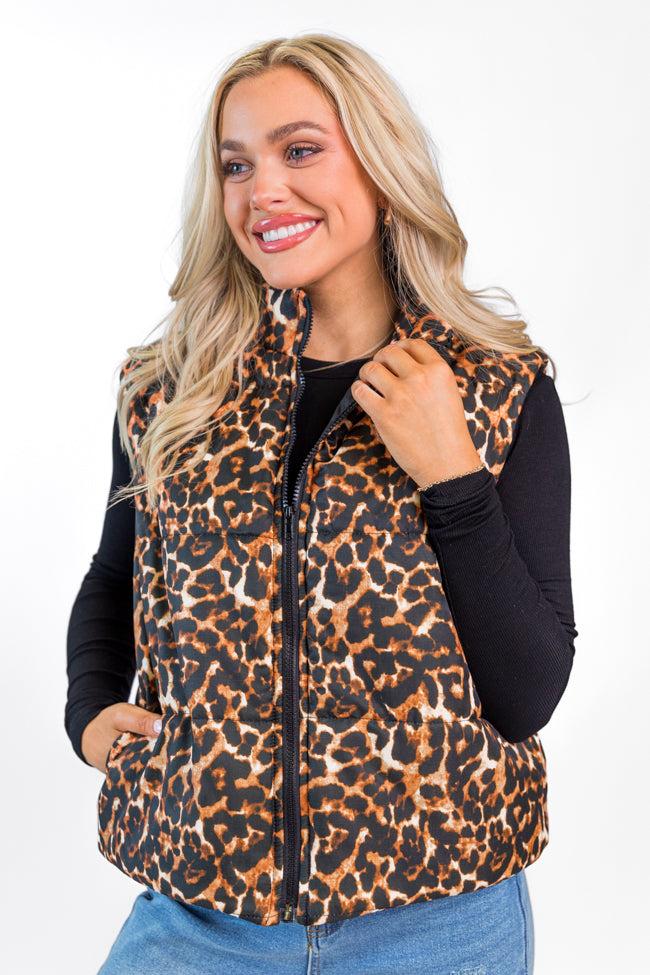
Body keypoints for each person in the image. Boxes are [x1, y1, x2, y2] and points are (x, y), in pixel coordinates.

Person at [65, 32, 578, 975]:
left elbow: (529, 691)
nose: (263, 190)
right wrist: (90, 707)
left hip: (440, 922)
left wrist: (453, 477)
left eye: (300, 150)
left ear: (379, 168)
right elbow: (115, 572)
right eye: (237, 165)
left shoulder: (496, 389)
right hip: (202, 916)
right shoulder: (173, 390)